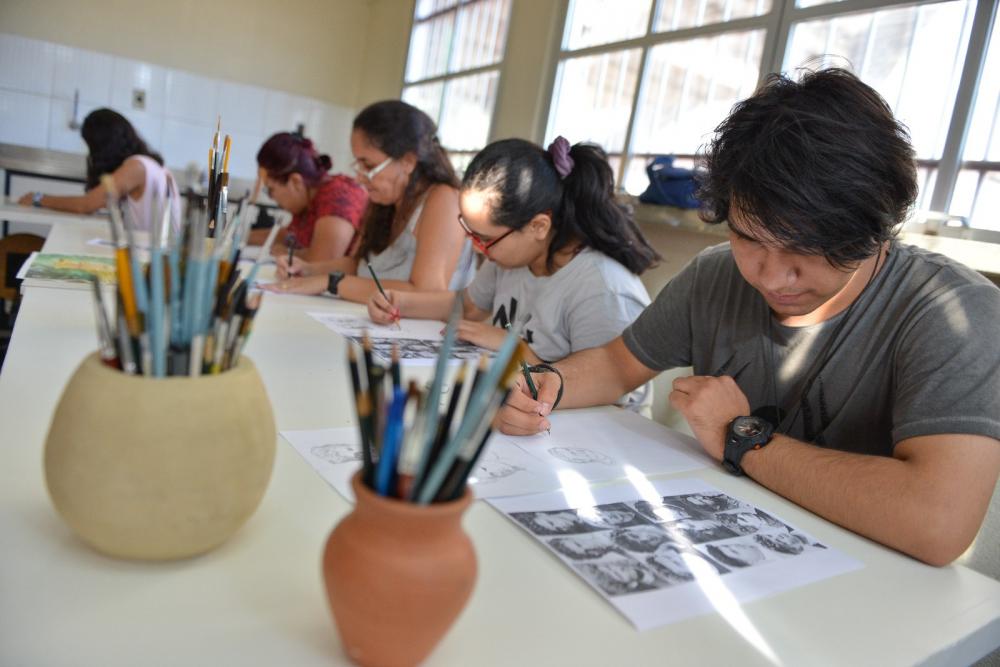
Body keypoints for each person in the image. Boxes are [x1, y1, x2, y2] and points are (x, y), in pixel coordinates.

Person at [496, 68, 1000, 567]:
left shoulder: (953, 312)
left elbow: (938, 522)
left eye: (810, 250)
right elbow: (617, 363)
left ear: (877, 233)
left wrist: (742, 437)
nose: (773, 277)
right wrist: (542, 385)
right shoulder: (715, 275)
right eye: (750, 238)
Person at [367, 137, 659, 410]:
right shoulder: (509, 257)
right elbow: (468, 306)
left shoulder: (602, 288)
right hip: (522, 408)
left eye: (484, 238)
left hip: (593, 431)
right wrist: (401, 302)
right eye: (469, 230)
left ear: (538, 227)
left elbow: (605, 390)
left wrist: (514, 349)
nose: (477, 249)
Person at [263, 100, 475, 304]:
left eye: (369, 164)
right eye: (359, 164)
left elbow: (426, 293)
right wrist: (308, 270)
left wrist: (333, 283)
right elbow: (359, 266)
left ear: (408, 161)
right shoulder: (386, 200)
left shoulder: (443, 199)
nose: (359, 177)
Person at [18, 108, 179, 230]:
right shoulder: (153, 165)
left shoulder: (137, 166)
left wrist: (38, 198)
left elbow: (86, 205)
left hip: (152, 263)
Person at [251, 132, 367, 262]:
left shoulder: (339, 198)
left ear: (296, 181)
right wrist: (241, 236)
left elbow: (323, 262)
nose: (272, 198)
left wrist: (288, 253)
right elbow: (287, 237)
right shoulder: (308, 200)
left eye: (271, 190)